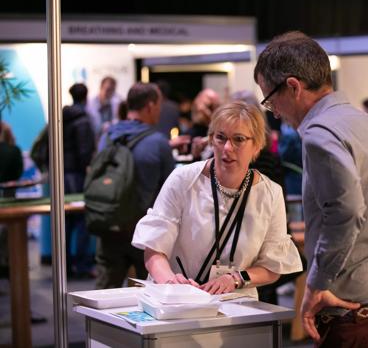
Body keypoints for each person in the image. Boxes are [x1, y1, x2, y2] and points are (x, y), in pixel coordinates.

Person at [255, 31, 368, 348]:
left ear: (293, 87)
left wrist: (317, 283)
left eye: (270, 100)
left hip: (359, 322)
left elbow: (347, 210)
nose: (274, 112)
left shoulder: (318, 133)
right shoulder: (366, 124)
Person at [132, 101, 302, 297]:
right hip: (175, 300)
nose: (227, 147)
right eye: (220, 137)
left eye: (238, 139)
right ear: (211, 140)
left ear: (256, 145)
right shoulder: (183, 179)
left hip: (235, 305)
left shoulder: (271, 194)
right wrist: (170, 282)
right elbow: (153, 248)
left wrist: (235, 279)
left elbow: (273, 266)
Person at [95, 82, 174, 289]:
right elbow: (172, 190)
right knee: (147, 295)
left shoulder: (108, 136)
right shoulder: (158, 142)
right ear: (150, 106)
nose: (159, 110)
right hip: (145, 232)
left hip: (109, 223)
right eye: (158, 105)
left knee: (104, 293)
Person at [63, 83, 96, 278]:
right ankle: (83, 265)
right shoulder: (82, 120)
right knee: (83, 220)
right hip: (77, 176)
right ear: (85, 96)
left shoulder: (60, 117)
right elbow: (85, 151)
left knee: (64, 223)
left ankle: (65, 265)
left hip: (62, 176)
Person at [0, 122, 24, 276]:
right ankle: (7, 265)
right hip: (9, 196)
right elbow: (18, 173)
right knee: (8, 233)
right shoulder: (14, 151)